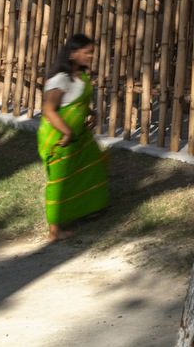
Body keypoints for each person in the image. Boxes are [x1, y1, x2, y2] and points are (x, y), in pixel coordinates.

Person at [39, 33, 108, 241]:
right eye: (86, 53)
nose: (90, 56)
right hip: (60, 139)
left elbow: (78, 102)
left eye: (92, 53)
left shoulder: (81, 77)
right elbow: (49, 110)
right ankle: (54, 230)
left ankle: (90, 208)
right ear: (72, 54)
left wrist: (91, 113)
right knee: (59, 181)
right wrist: (67, 132)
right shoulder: (60, 80)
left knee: (93, 163)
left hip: (80, 136)